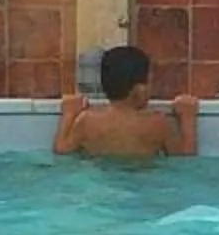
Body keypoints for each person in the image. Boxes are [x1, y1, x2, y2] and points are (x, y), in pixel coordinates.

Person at [54, 44, 199, 160]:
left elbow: (62, 149)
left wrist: (69, 113)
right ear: (139, 90)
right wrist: (188, 117)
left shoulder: (87, 121)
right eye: (150, 82)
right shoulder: (158, 123)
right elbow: (185, 156)